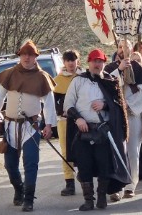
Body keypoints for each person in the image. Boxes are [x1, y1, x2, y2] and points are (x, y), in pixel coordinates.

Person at [0, 39, 56, 212]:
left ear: (35, 57)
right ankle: (19, 189)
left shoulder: (42, 77)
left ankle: (28, 199)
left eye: (30, 55)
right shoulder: (9, 73)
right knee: (10, 165)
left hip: (31, 127)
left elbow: (49, 103)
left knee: (31, 163)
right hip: (10, 126)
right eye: (24, 54)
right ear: (20, 56)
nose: (27, 57)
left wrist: (49, 124)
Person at [63, 49, 130, 211]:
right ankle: (88, 200)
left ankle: (101, 198)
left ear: (104, 63)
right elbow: (68, 104)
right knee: (84, 166)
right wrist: (78, 118)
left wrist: (105, 105)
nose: (97, 64)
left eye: (100, 61)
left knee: (104, 165)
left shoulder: (110, 81)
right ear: (88, 62)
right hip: (83, 130)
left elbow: (119, 106)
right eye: (94, 61)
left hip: (103, 131)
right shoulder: (78, 81)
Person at [105, 39, 142, 200]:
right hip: (115, 117)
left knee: (132, 151)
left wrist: (129, 105)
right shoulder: (110, 68)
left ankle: (131, 184)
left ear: (131, 49)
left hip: (132, 115)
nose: (122, 49)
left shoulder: (138, 67)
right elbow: (105, 87)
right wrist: (119, 70)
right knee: (116, 151)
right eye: (120, 46)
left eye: (126, 47)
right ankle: (117, 185)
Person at [53, 49, 80, 196]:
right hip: (64, 121)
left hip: (82, 120)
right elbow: (54, 101)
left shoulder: (83, 77)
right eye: (68, 60)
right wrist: (60, 111)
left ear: (78, 61)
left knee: (83, 149)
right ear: (64, 62)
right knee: (66, 151)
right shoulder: (58, 80)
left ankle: (85, 179)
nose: (70, 63)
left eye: (73, 59)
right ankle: (69, 183)